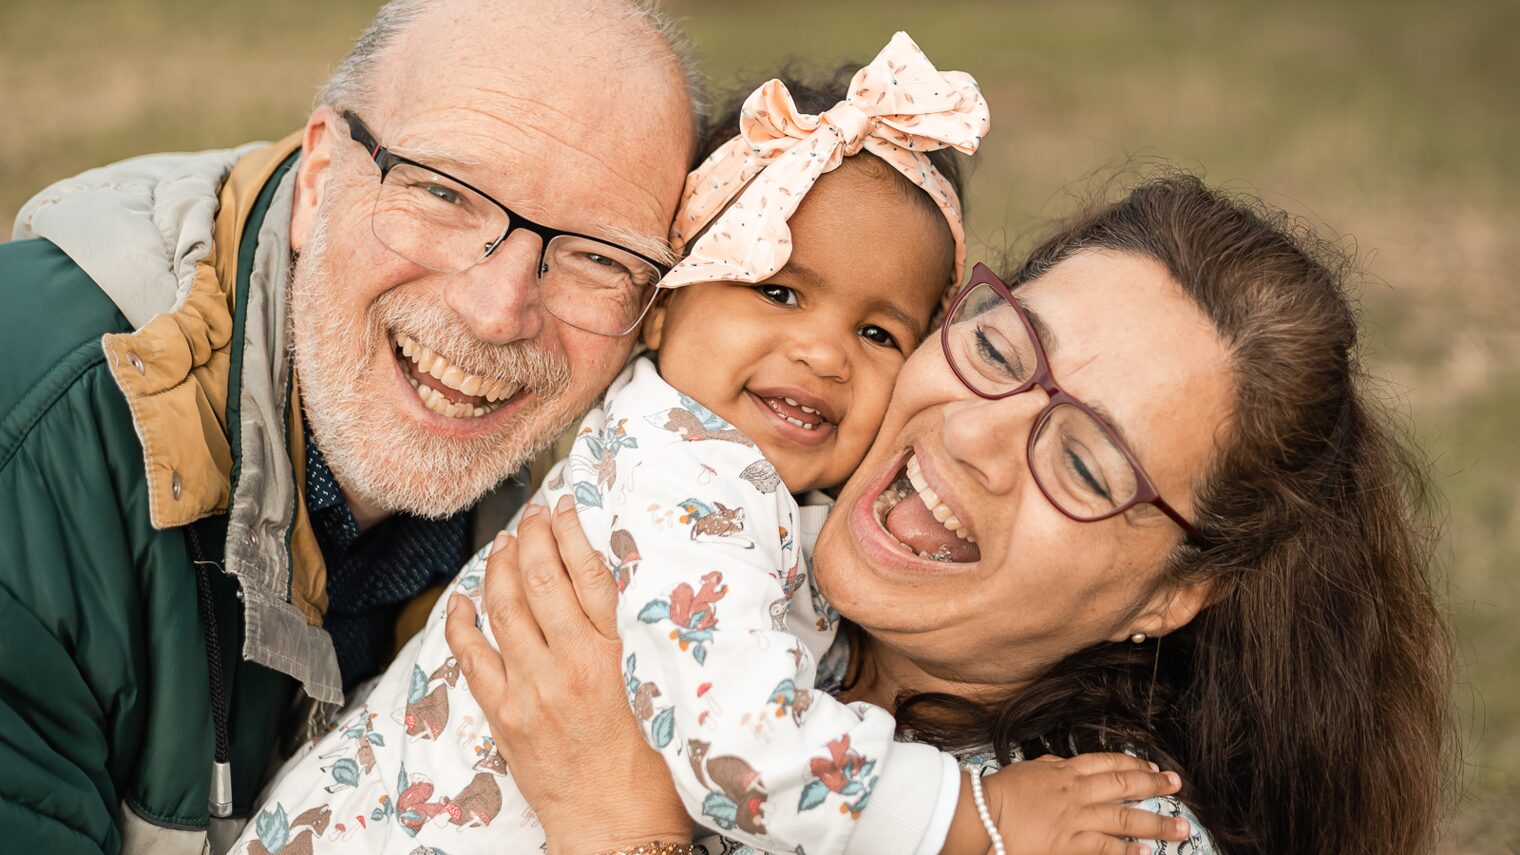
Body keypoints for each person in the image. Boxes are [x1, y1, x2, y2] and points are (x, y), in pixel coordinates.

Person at [237, 38, 1191, 855]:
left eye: (878, 334)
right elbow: (748, 754)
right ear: (663, 306)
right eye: (777, 292)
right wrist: (977, 816)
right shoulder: (683, 480)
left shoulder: (752, 477)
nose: (821, 352)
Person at [447, 175, 1455, 854]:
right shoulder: (730, 525)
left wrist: (619, 822)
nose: (975, 437)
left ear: (1171, 594)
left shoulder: (1099, 830)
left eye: (1084, 462)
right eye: (1001, 350)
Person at [0, 1, 702, 852]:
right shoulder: (30, 446)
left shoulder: (636, 493)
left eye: (599, 256)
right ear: (320, 176)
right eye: (444, 193)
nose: (497, 311)